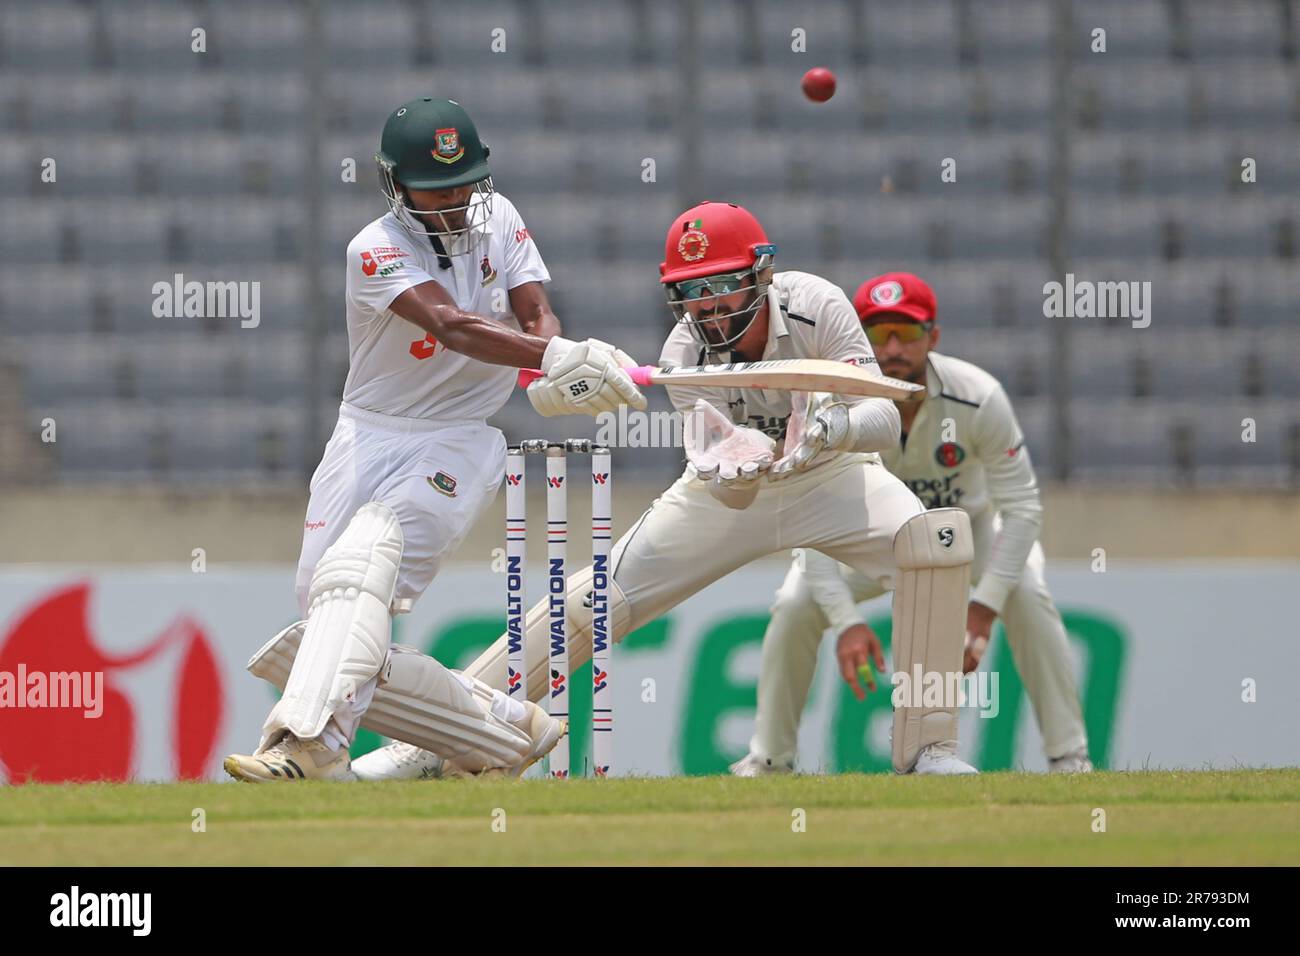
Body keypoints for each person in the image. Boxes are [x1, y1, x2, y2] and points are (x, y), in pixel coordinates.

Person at [358, 201, 979, 779]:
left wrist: (832, 426)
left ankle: (929, 749)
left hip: (832, 479)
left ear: (762, 273)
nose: (706, 308)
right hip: (726, 498)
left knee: (933, 543)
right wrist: (738, 467)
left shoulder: (817, 303)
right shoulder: (683, 353)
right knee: (592, 603)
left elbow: (885, 417)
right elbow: (725, 479)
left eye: (719, 286)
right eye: (690, 292)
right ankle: (430, 748)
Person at [223, 96, 647, 782]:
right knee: (327, 622)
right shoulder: (374, 248)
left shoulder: (500, 216)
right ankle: (505, 731)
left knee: (360, 567)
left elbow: (535, 310)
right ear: (395, 184)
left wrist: (559, 356)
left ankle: (308, 744)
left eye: (465, 183)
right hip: (367, 435)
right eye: (436, 187)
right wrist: (550, 359)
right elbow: (452, 325)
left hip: (457, 441)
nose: (455, 200)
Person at [731, 272, 1093, 776]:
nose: (893, 348)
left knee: (1028, 594)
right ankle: (769, 759)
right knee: (795, 603)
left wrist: (982, 610)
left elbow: (1023, 506)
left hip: (969, 538)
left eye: (907, 331)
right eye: (878, 335)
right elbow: (809, 521)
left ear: (934, 337)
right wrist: (848, 622)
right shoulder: (830, 406)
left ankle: (1068, 757)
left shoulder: (978, 396)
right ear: (858, 337)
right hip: (871, 542)